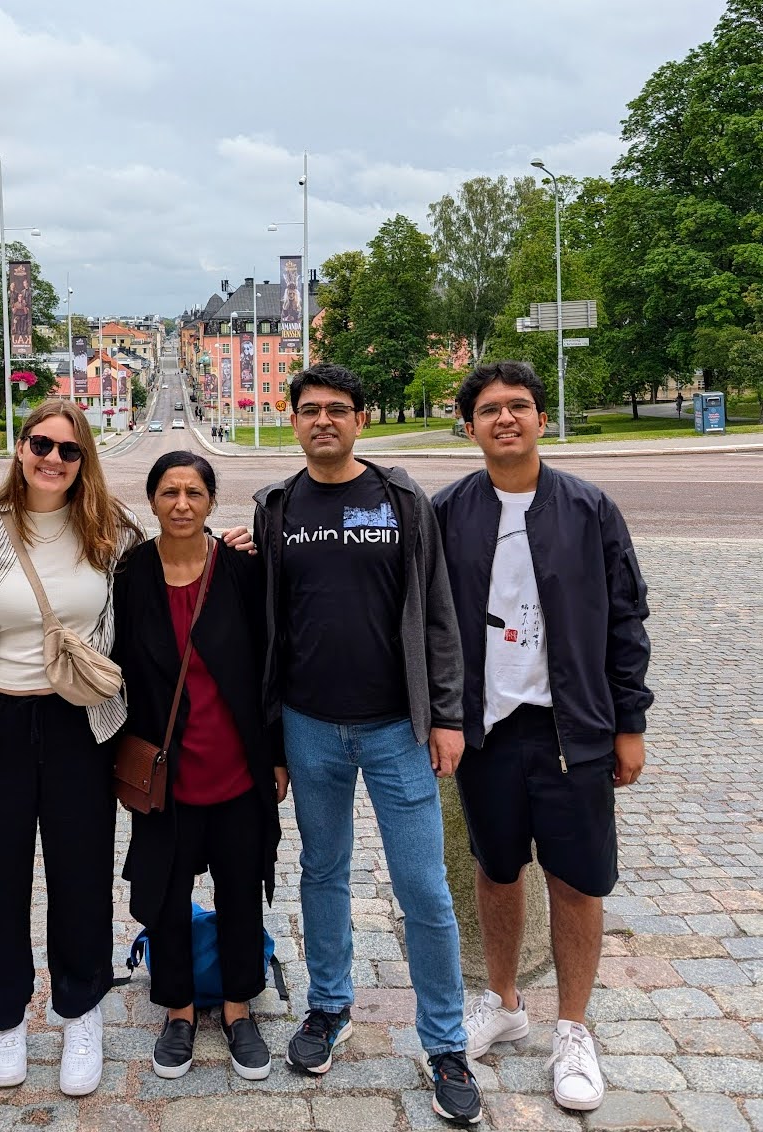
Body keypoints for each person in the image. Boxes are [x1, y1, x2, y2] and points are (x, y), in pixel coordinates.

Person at [251, 362, 482, 1127]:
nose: (324, 421)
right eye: (310, 410)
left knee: (424, 888)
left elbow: (440, 614)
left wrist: (445, 716)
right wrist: (273, 736)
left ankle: (445, 1042)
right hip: (309, 726)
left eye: (338, 410)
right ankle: (328, 1008)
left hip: (396, 727)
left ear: (361, 419)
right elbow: (268, 629)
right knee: (323, 872)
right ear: (294, 421)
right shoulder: (276, 507)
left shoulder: (402, 499)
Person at [432, 361, 653, 1114]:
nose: (505, 419)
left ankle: (573, 1027)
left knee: (577, 881)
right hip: (486, 730)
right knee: (496, 871)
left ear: (539, 417)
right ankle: (501, 1000)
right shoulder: (448, 512)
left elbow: (626, 621)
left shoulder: (589, 509)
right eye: (489, 408)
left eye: (519, 406)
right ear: (470, 426)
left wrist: (631, 723)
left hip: (573, 729)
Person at [0, 400, 143, 1099]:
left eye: (69, 451)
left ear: (84, 461)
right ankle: (4, 1017)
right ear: (21, 448)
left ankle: (80, 1009)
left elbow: (159, 585)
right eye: (42, 444)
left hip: (79, 726)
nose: (53, 460)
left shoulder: (109, 532)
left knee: (81, 875)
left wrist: (233, 545)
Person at [113, 452, 287, 1083]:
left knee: (242, 891)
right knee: (166, 897)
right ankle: (179, 1011)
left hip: (238, 766)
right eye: (168, 492)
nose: (181, 504)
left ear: (212, 502)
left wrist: (277, 755)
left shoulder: (241, 567)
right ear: (152, 501)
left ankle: (240, 1009)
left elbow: (270, 665)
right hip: (168, 775)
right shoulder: (130, 573)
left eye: (193, 492)